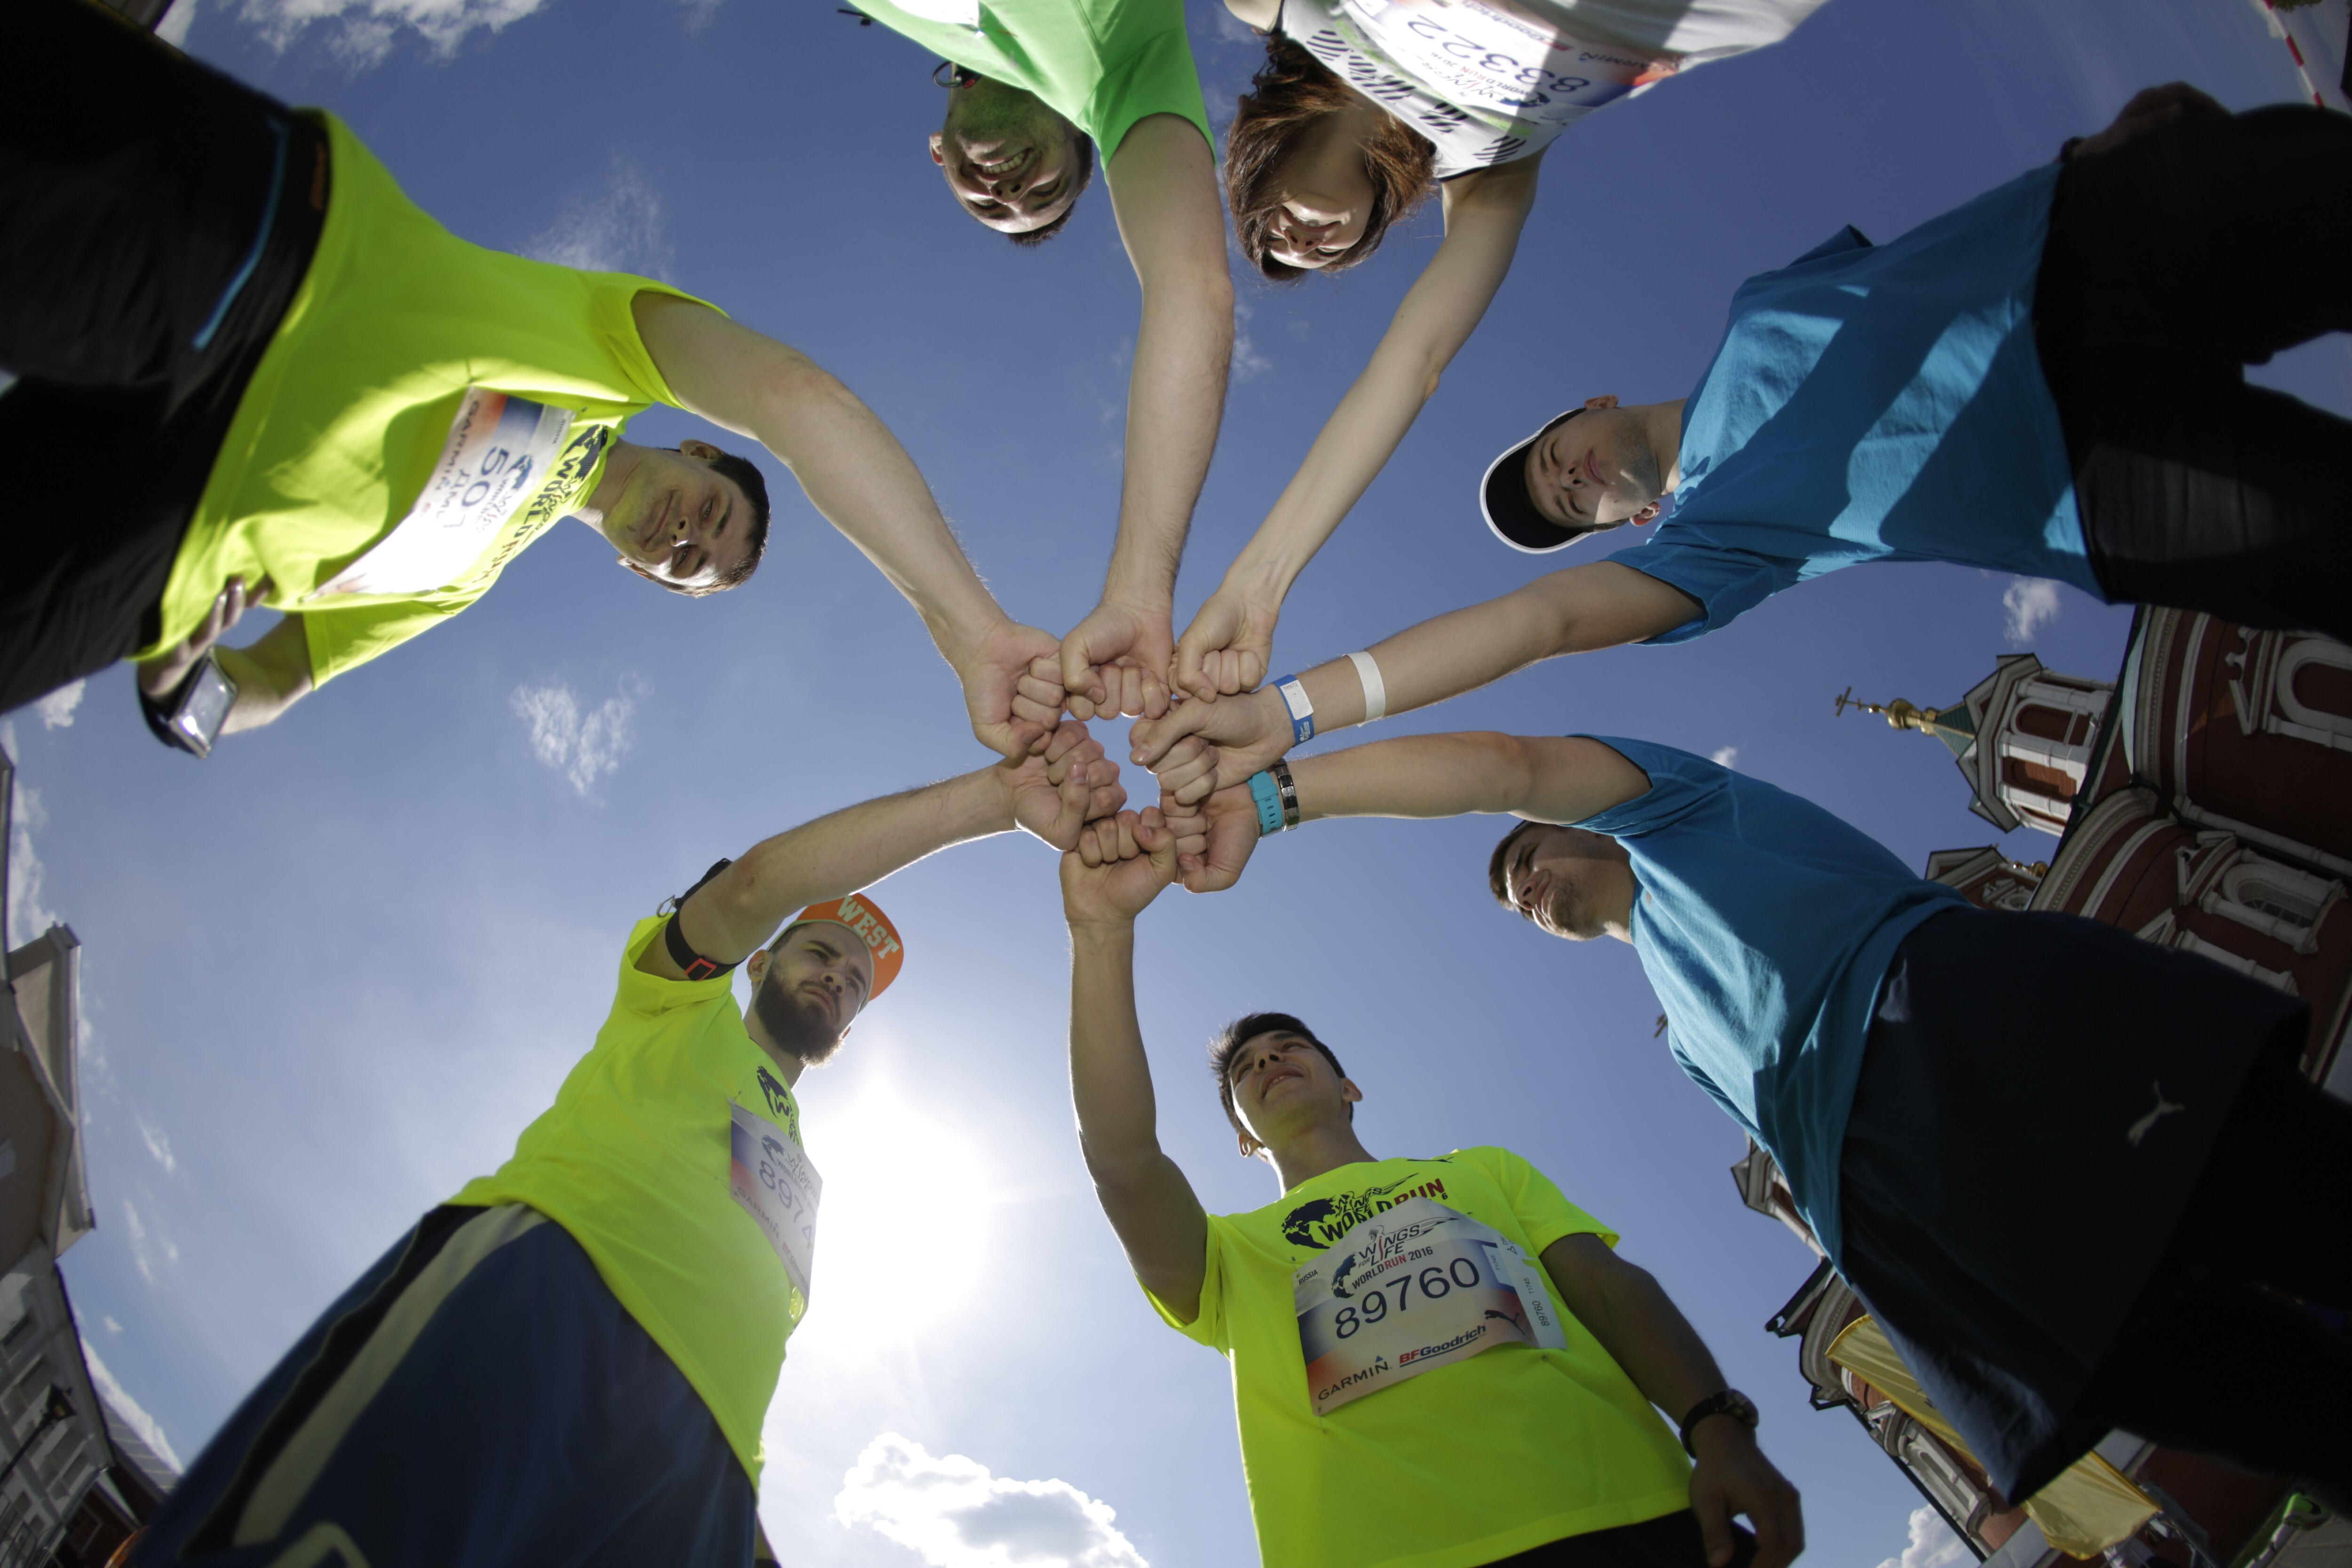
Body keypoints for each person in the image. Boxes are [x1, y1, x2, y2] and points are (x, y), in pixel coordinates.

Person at [1159, 729, 2352, 1515]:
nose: (1523, 885)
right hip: (1915, 1204)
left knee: (2297, 1207)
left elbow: (1510, 763)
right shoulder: (1678, 1028)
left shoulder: (1685, 816)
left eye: (1530, 857)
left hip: (1955, 1034)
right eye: (1515, 897)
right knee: (2254, 1399)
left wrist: (1280, 795)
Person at [130, 724, 1126, 1567]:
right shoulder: (676, 1001)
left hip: (695, 1469)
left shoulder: (808, 1166)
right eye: (824, 951)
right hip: (545, 1297)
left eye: (857, 982)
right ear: (767, 957)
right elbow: (755, 884)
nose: (839, 978)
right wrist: (993, 801)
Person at [1145, 82, 2352, 760]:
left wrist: (2097, 155)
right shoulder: (1717, 540)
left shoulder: (1757, 302)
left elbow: (1925, 258)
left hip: (2090, 243)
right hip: (2090, 490)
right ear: (1638, 517)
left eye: (1547, 458)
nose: (1561, 481)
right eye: (1572, 510)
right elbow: (1541, 617)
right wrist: (1294, 707)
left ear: (1593, 404)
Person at [3, 0, 1062, 763]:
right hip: (261, 269)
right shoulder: (610, 364)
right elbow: (793, 400)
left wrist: (197, 696)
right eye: (712, 512)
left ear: (644, 579)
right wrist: (969, 626)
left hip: (165, 548)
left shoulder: (461, 580)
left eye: (690, 563)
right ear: (695, 449)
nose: (686, 537)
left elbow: (285, 673)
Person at [1054, 804, 1804, 1568]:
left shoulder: (1482, 1170)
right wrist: (1102, 934)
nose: (1266, 1061)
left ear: (1349, 1086)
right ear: (1244, 1137)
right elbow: (1124, 1161)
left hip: (1634, 1517)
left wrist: (1716, 1425)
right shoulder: (1229, 1256)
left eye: (1288, 1047)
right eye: (1246, 1069)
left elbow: (1607, 1288)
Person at [1166, 0, 1827, 703]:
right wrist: (1258, 584)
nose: (1297, 246)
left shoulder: (1293, 10)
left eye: (1267, 231)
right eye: (1319, 258)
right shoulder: (1488, 175)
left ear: (1252, 165)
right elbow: (1413, 365)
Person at [840, 0, 1235, 722]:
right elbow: (1193, 289)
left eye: (992, 207)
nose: (1011, 193)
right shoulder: (1120, 62)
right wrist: (1141, 589)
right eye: (1045, 190)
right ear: (1089, 130)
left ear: (941, 154)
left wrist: (1137, 592)